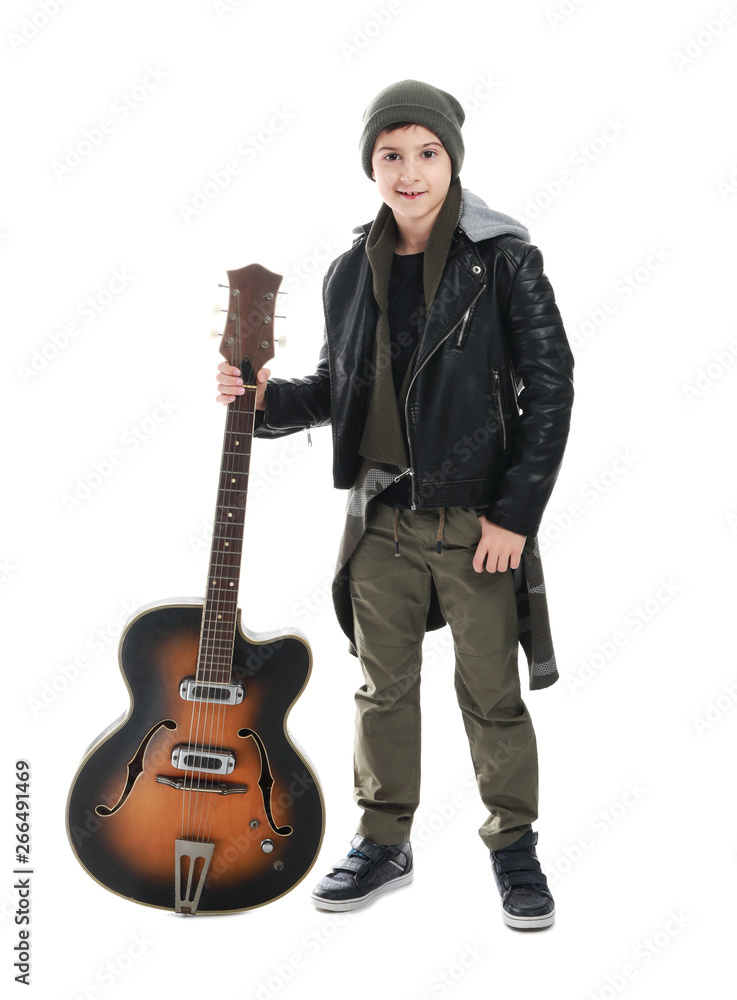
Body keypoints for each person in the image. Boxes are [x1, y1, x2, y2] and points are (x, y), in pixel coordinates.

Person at [216, 80, 574, 930]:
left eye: (426, 152)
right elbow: (342, 389)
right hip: (380, 519)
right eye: (390, 154)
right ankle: (383, 841)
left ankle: (513, 844)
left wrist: (514, 517)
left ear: (450, 157)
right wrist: (261, 402)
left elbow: (550, 392)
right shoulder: (351, 271)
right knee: (382, 689)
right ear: (370, 164)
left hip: (478, 521)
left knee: (490, 695)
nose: (409, 172)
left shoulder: (505, 260)